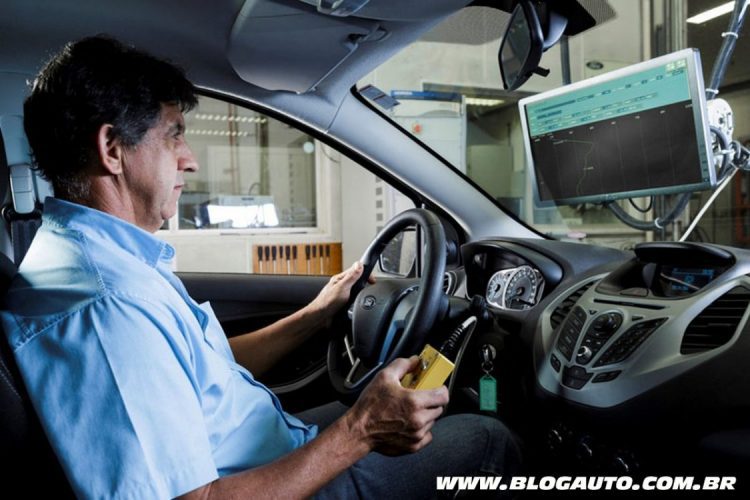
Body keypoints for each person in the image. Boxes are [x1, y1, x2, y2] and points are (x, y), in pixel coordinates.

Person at [0, 35, 520, 498]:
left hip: (266, 450)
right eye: (174, 135)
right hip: (267, 483)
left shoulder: (103, 259)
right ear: (113, 149)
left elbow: (200, 370)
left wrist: (316, 313)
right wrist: (360, 430)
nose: (190, 159)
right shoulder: (108, 307)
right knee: (486, 439)